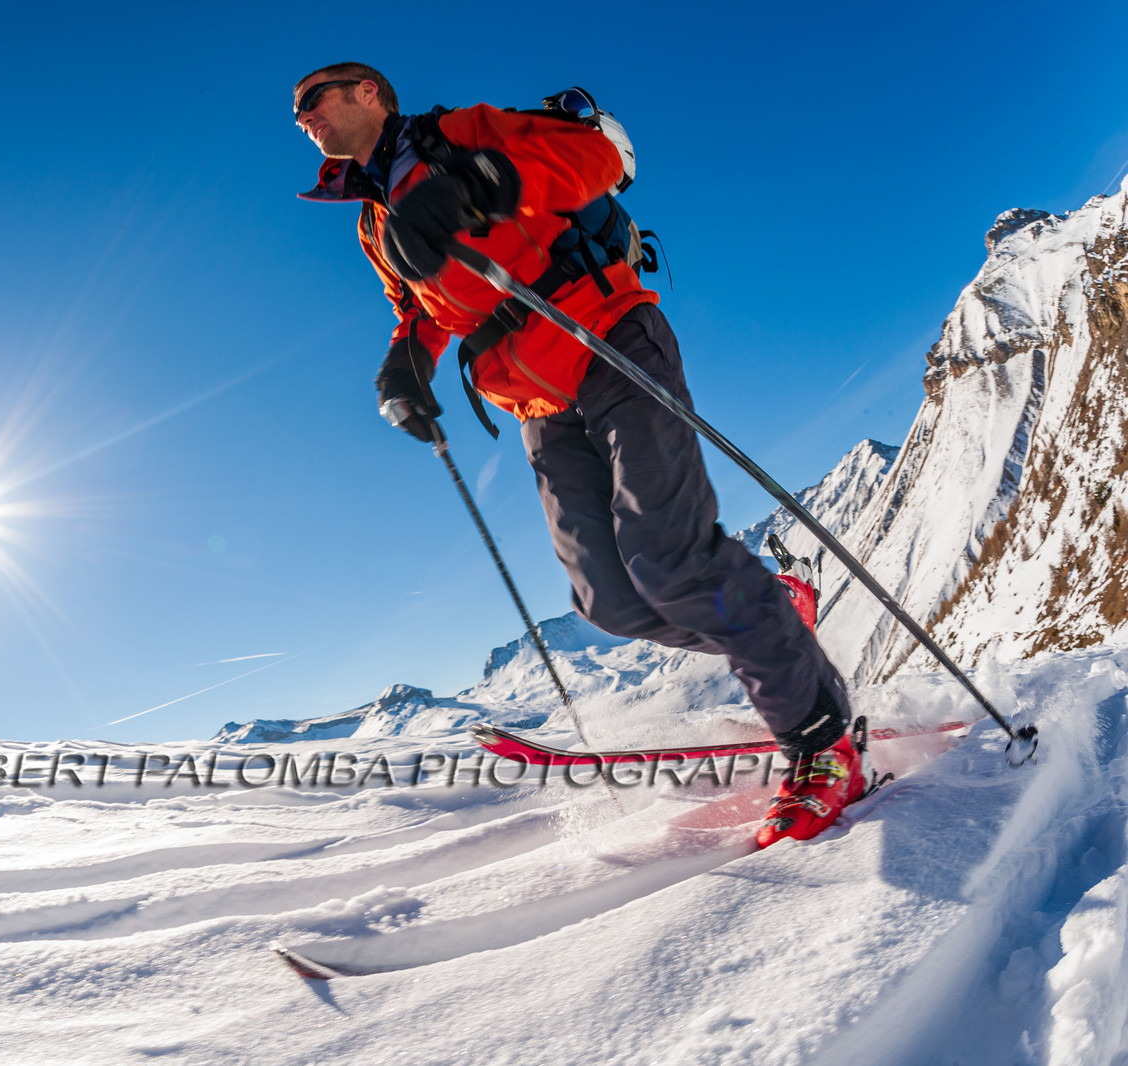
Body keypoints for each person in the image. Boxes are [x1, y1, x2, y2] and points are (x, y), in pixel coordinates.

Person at [293, 62, 866, 846]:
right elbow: (423, 307)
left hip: (605, 337)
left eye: (313, 99)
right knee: (610, 602)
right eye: (297, 112)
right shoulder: (372, 221)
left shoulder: (459, 134)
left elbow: (589, 159)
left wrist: (477, 184)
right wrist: (407, 364)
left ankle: (824, 743)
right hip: (534, 398)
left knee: (673, 560)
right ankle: (769, 613)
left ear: (368, 93)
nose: (302, 118)